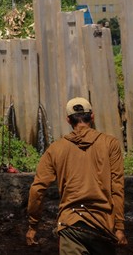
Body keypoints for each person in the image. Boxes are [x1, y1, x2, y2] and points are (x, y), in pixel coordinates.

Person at [26, 97, 127, 254]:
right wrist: (119, 227)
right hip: (102, 225)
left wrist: (33, 225)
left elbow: (37, 188)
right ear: (92, 116)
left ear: (68, 120)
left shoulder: (55, 149)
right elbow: (117, 187)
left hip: (70, 225)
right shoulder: (110, 144)